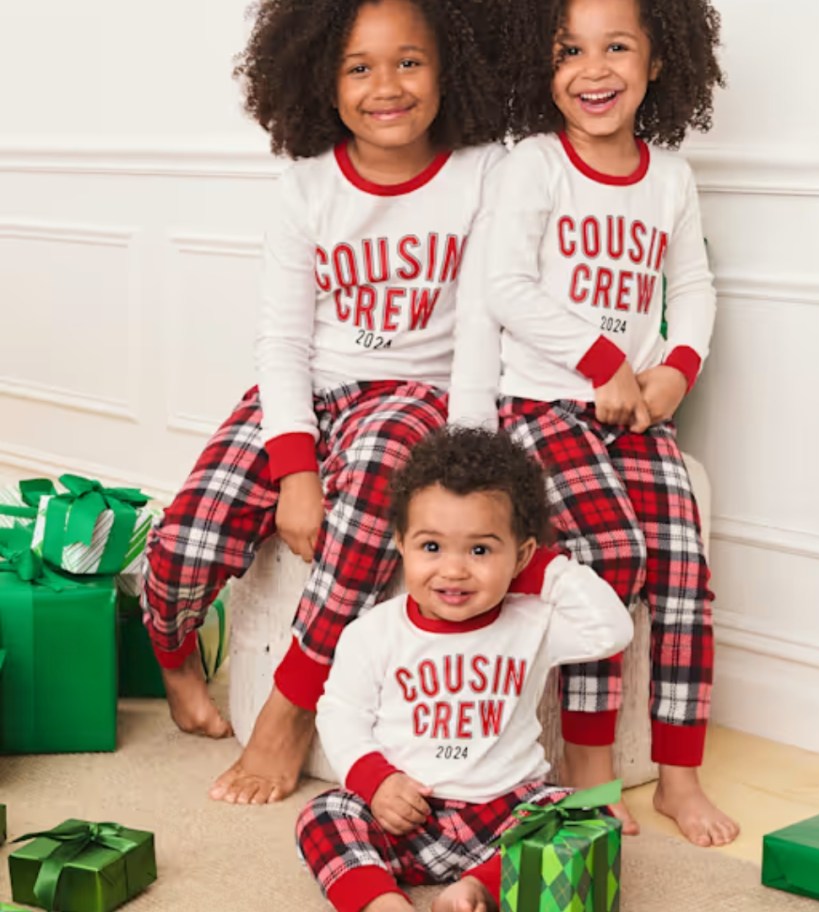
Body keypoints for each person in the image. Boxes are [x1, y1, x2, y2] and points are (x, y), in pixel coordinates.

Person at [140, 0, 511, 804]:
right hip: (312, 389)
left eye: (410, 61)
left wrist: (474, 464)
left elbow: (482, 330)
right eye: (359, 66)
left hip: (417, 396)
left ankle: (288, 710)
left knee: (370, 500)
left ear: (449, 68)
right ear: (321, 79)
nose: (388, 85)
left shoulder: (484, 175)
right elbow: (280, 345)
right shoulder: (305, 189)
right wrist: (296, 469)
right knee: (187, 535)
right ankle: (171, 659)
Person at [459, 0, 740, 847]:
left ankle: (678, 777)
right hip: (545, 403)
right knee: (610, 555)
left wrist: (672, 371)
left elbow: (691, 287)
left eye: (617, 47)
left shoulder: (670, 177)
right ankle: (589, 775)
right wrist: (602, 362)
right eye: (568, 51)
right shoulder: (534, 165)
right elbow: (507, 286)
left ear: (659, 62)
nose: (594, 69)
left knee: (684, 567)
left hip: (636, 411)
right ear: (539, 68)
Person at [297, 427, 634, 912]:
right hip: (409, 816)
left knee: (588, 808)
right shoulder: (373, 633)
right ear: (401, 544)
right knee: (323, 814)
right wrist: (377, 782)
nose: (453, 570)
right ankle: (381, 903)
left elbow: (610, 629)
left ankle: (475, 887)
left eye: (480, 550)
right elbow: (340, 714)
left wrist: (544, 568)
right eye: (431, 547)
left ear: (519, 555)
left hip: (506, 812)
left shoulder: (532, 623)